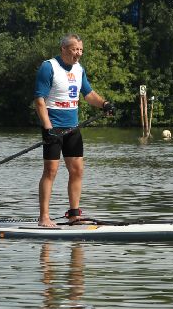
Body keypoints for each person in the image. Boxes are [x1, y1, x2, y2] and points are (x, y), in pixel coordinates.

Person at [33, 34, 114, 227]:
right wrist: (48, 128)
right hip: (53, 127)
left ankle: (74, 214)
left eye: (80, 50)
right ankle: (44, 217)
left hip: (73, 128)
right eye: (74, 49)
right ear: (63, 49)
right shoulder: (49, 67)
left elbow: (89, 94)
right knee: (51, 171)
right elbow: (39, 101)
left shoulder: (79, 69)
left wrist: (104, 104)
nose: (78, 53)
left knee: (77, 170)